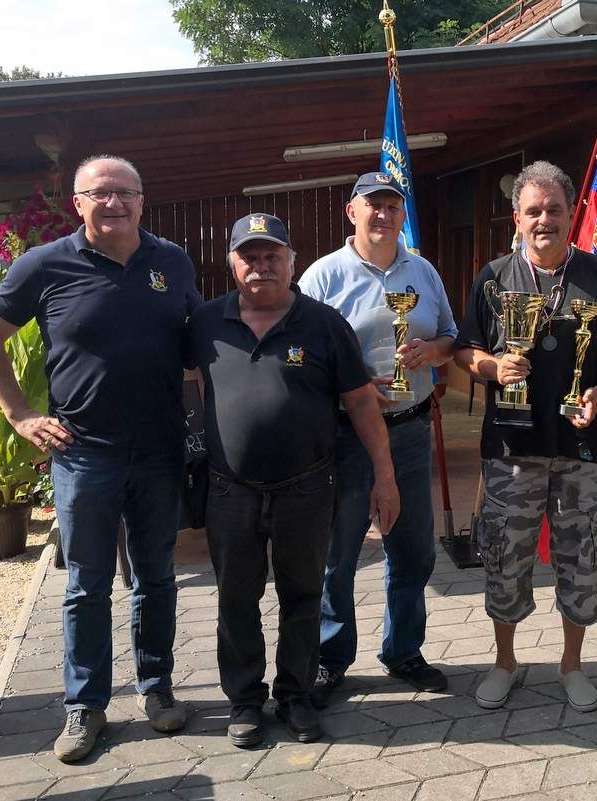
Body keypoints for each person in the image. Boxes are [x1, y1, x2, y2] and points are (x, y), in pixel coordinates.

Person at [0, 155, 199, 762]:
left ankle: (157, 689)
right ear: (78, 203)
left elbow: (194, 342)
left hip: (158, 452)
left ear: (142, 200)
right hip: (82, 455)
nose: (113, 203)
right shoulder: (43, 266)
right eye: (99, 194)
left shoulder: (171, 262)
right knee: (86, 585)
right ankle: (84, 707)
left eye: (125, 192)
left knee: (156, 579)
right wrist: (20, 415)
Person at [189, 212, 399, 746]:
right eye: (250, 257)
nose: (261, 267)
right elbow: (178, 386)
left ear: (292, 261)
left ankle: (296, 696)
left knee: (304, 595)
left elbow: (361, 404)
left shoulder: (326, 324)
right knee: (236, 598)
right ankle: (243, 701)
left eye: (272, 256)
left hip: (307, 487)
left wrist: (384, 475)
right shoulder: (205, 323)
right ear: (232, 264)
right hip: (229, 489)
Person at [454, 161, 597, 713]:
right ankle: (505, 663)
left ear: (571, 214)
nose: (543, 220)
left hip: (579, 449)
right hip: (511, 450)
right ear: (518, 217)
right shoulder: (493, 277)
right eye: (533, 211)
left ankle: (572, 665)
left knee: (582, 558)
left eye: (554, 210)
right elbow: (465, 348)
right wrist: (491, 368)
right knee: (504, 557)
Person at [298, 172, 457, 705]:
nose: (384, 214)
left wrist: (432, 353)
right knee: (337, 556)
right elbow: (297, 356)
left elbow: (451, 338)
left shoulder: (424, 271)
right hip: (344, 437)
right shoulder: (323, 277)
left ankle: (403, 652)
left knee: (413, 552)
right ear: (352, 212)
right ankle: (330, 658)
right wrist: (351, 385)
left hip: (410, 429)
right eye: (374, 205)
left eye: (393, 205)